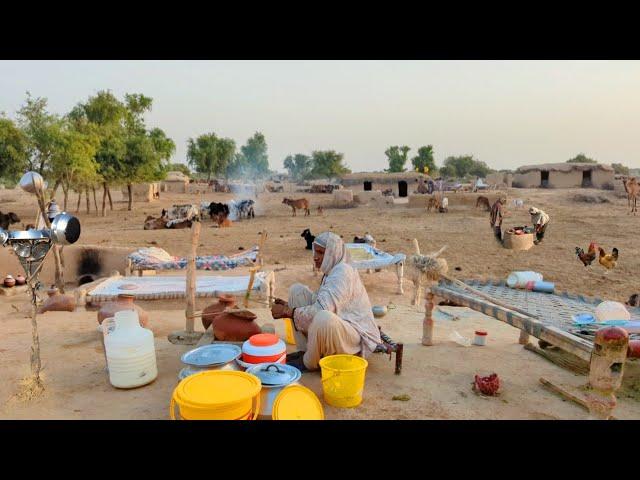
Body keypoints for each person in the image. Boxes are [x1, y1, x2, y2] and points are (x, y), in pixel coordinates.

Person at [270, 232, 382, 371]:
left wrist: (287, 312)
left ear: (332, 253)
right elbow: (320, 301)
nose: (315, 257)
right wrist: (287, 306)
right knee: (296, 291)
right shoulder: (332, 270)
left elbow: (321, 310)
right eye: (315, 252)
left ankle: (309, 362)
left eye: (321, 253)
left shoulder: (343, 272)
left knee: (323, 317)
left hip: (354, 336)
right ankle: (308, 351)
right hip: (339, 324)